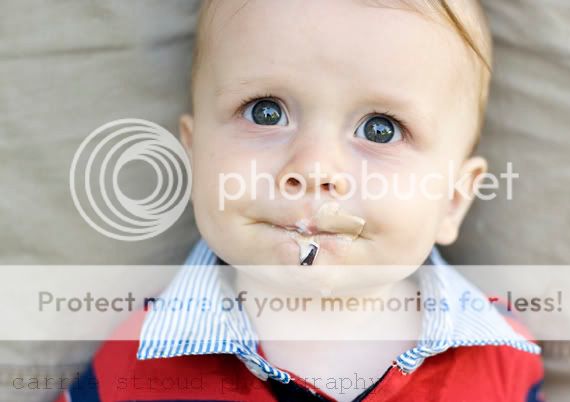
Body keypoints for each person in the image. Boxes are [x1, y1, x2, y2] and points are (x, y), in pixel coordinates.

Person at [55, 0, 544, 400]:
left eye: (381, 129)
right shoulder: (134, 362)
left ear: (453, 200)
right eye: (265, 112)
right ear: (194, 155)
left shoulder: (502, 359)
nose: (313, 169)